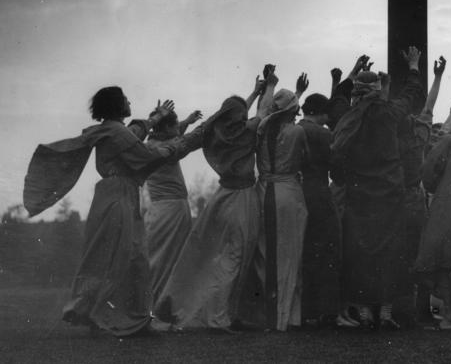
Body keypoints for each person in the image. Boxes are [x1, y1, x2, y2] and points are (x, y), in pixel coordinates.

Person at [23, 88, 200, 337]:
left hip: (113, 195)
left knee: (114, 257)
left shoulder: (113, 129)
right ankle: (128, 318)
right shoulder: (117, 131)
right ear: (118, 105)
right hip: (120, 195)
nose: (129, 102)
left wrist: (156, 119)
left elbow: (135, 134)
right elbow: (145, 154)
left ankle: (101, 314)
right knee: (131, 258)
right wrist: (177, 145)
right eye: (126, 99)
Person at [155, 72, 274, 332]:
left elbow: (228, 114)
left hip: (222, 197)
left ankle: (212, 311)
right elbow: (262, 112)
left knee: (211, 254)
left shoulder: (213, 130)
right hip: (242, 199)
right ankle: (219, 316)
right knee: (234, 257)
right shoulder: (248, 131)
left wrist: (253, 92)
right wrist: (269, 86)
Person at [330, 47, 425, 330]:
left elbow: (336, 98)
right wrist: (414, 66)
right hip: (390, 192)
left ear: (357, 91)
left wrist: (352, 71)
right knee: (389, 250)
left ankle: (363, 313)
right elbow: (412, 96)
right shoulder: (391, 112)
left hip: (359, 193)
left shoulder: (347, 116)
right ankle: (385, 312)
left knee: (358, 250)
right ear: (378, 89)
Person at [413, 98, 451, 331]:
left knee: (443, 260)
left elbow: (429, 173)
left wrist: (434, 188)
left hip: (448, 205)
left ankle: (449, 316)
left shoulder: (448, 140)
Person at [297, 92, 355, 328]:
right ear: (322, 112)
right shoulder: (322, 133)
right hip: (320, 192)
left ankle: (306, 309)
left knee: (306, 251)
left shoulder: (296, 129)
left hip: (297, 191)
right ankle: (329, 311)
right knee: (330, 249)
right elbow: (337, 168)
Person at [255, 85, 308, 332]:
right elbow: (305, 158)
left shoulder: (261, 130)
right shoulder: (297, 131)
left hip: (265, 189)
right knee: (290, 251)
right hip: (287, 192)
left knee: (267, 253)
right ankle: (286, 316)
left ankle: (269, 315)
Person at [399, 56, 444, 323]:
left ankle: (397, 307)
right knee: (420, 251)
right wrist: (437, 76)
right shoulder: (420, 133)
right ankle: (421, 308)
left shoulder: (388, 133)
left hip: (392, 196)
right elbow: (430, 103)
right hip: (414, 197)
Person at [144, 108, 203, 306]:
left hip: (172, 207)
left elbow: (175, 135)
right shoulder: (157, 148)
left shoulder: (154, 143)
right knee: (162, 260)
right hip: (169, 209)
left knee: (168, 259)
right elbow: (182, 142)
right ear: (166, 128)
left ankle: (162, 307)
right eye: (174, 125)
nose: (178, 128)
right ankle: (152, 307)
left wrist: (187, 120)